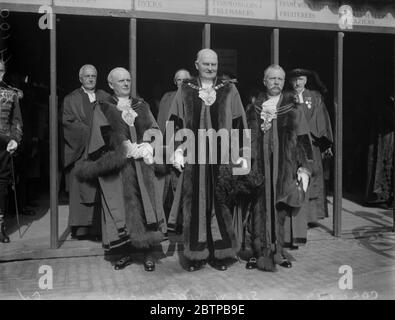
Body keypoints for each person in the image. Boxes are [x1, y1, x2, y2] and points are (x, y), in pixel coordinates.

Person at [75, 67, 166, 271]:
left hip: (142, 167)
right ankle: (124, 253)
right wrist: (123, 149)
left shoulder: (141, 105)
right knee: (123, 209)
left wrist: (148, 146)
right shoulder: (103, 108)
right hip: (120, 170)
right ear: (111, 84)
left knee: (146, 207)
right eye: (121, 81)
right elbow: (101, 137)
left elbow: (154, 130)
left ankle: (148, 253)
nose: (126, 84)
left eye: (128, 80)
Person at [168, 49, 248, 272]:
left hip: (222, 157)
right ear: (197, 64)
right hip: (194, 158)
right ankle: (195, 255)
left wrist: (241, 153)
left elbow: (239, 122)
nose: (211, 68)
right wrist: (176, 150)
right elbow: (174, 120)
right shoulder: (185, 90)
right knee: (195, 205)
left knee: (220, 204)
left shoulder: (229, 89)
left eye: (214, 64)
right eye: (206, 64)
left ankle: (220, 254)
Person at [242, 65, 313, 271]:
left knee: (280, 209)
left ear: (284, 82)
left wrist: (305, 168)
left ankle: (278, 251)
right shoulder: (253, 108)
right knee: (256, 209)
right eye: (271, 78)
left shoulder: (293, 108)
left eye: (280, 79)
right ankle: (257, 252)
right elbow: (244, 139)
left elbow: (303, 140)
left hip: (284, 168)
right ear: (264, 81)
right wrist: (244, 166)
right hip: (259, 169)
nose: (276, 82)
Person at [62, 64, 109, 240]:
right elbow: (68, 123)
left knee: (98, 190)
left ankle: (97, 229)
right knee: (80, 189)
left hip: (100, 153)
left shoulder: (105, 96)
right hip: (81, 153)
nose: (90, 79)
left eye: (93, 76)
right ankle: (80, 228)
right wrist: (90, 132)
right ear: (80, 78)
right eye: (87, 76)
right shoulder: (71, 99)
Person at [288, 68, 333, 225]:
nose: (297, 82)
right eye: (294, 80)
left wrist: (323, 142)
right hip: (292, 144)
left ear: (306, 81)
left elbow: (321, 119)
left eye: (300, 79)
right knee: (294, 178)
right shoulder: (287, 97)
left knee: (311, 177)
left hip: (311, 144)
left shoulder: (314, 97)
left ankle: (312, 217)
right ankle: (295, 215)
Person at [156, 69, 191, 231]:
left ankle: (186, 223)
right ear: (174, 81)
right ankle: (170, 223)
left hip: (190, 146)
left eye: (185, 80)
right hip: (171, 144)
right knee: (169, 185)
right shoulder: (167, 98)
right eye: (179, 80)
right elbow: (163, 123)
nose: (182, 83)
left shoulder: (195, 97)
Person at [0, 60, 23, 243]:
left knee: (2, 186)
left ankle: (0, 226)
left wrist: (15, 138)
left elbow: (17, 120)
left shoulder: (11, 93)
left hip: (3, 146)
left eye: (0, 70)